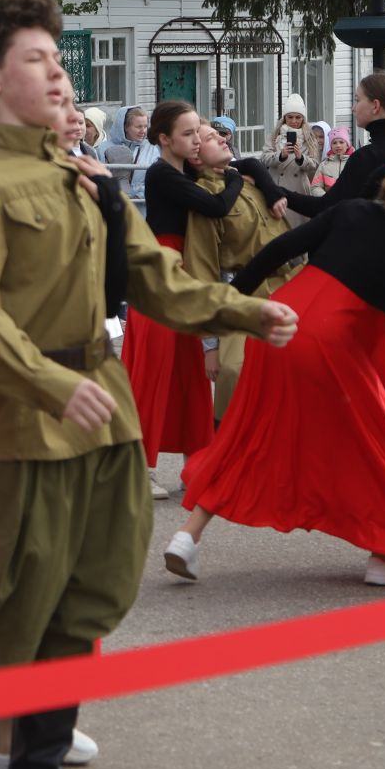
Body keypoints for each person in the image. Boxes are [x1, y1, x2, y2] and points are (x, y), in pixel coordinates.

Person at [0, 0, 295, 769]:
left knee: (82, 596)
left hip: (107, 411)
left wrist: (245, 311)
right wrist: (52, 386)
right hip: (31, 421)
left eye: (60, 62)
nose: (58, 76)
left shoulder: (84, 179)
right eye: (35, 61)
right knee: (2, 603)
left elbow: (154, 278)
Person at [169, 146, 385, 585]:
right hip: (331, 345)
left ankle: (186, 538)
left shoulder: (354, 211)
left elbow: (277, 249)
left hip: (278, 325)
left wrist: (229, 305)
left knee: (248, 436)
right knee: (380, 453)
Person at [127, 99, 286, 498]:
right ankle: (138, 469)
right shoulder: (161, 174)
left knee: (190, 373)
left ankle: (197, 462)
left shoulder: (184, 169)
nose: (196, 141)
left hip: (182, 271)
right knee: (154, 373)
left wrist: (255, 179)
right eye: (187, 134)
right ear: (164, 139)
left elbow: (248, 163)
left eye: (198, 133)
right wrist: (235, 180)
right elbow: (216, 205)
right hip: (162, 272)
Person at [183, 122, 291, 422]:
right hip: (249, 294)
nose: (221, 137)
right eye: (209, 137)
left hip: (294, 285)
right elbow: (202, 273)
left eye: (220, 134)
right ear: (195, 156)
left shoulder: (250, 181)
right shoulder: (204, 200)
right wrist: (210, 345)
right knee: (234, 373)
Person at [285, 74, 385, 216]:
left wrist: (276, 192)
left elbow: (325, 208)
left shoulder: (367, 157)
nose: (353, 108)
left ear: (375, 106)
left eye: (357, 100)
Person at [259, 93, 322, 220]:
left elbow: (315, 164)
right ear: (284, 117)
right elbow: (264, 159)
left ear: (303, 118)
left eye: (298, 117)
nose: (294, 121)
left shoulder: (309, 138)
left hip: (298, 189)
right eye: (290, 117)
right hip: (277, 188)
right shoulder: (274, 135)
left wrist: (301, 158)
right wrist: (280, 156)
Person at [98, 105, 153, 198]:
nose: (143, 131)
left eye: (145, 126)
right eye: (139, 127)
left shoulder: (153, 149)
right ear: (125, 127)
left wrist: (138, 196)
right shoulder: (103, 148)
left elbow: (157, 181)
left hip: (143, 207)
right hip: (114, 204)